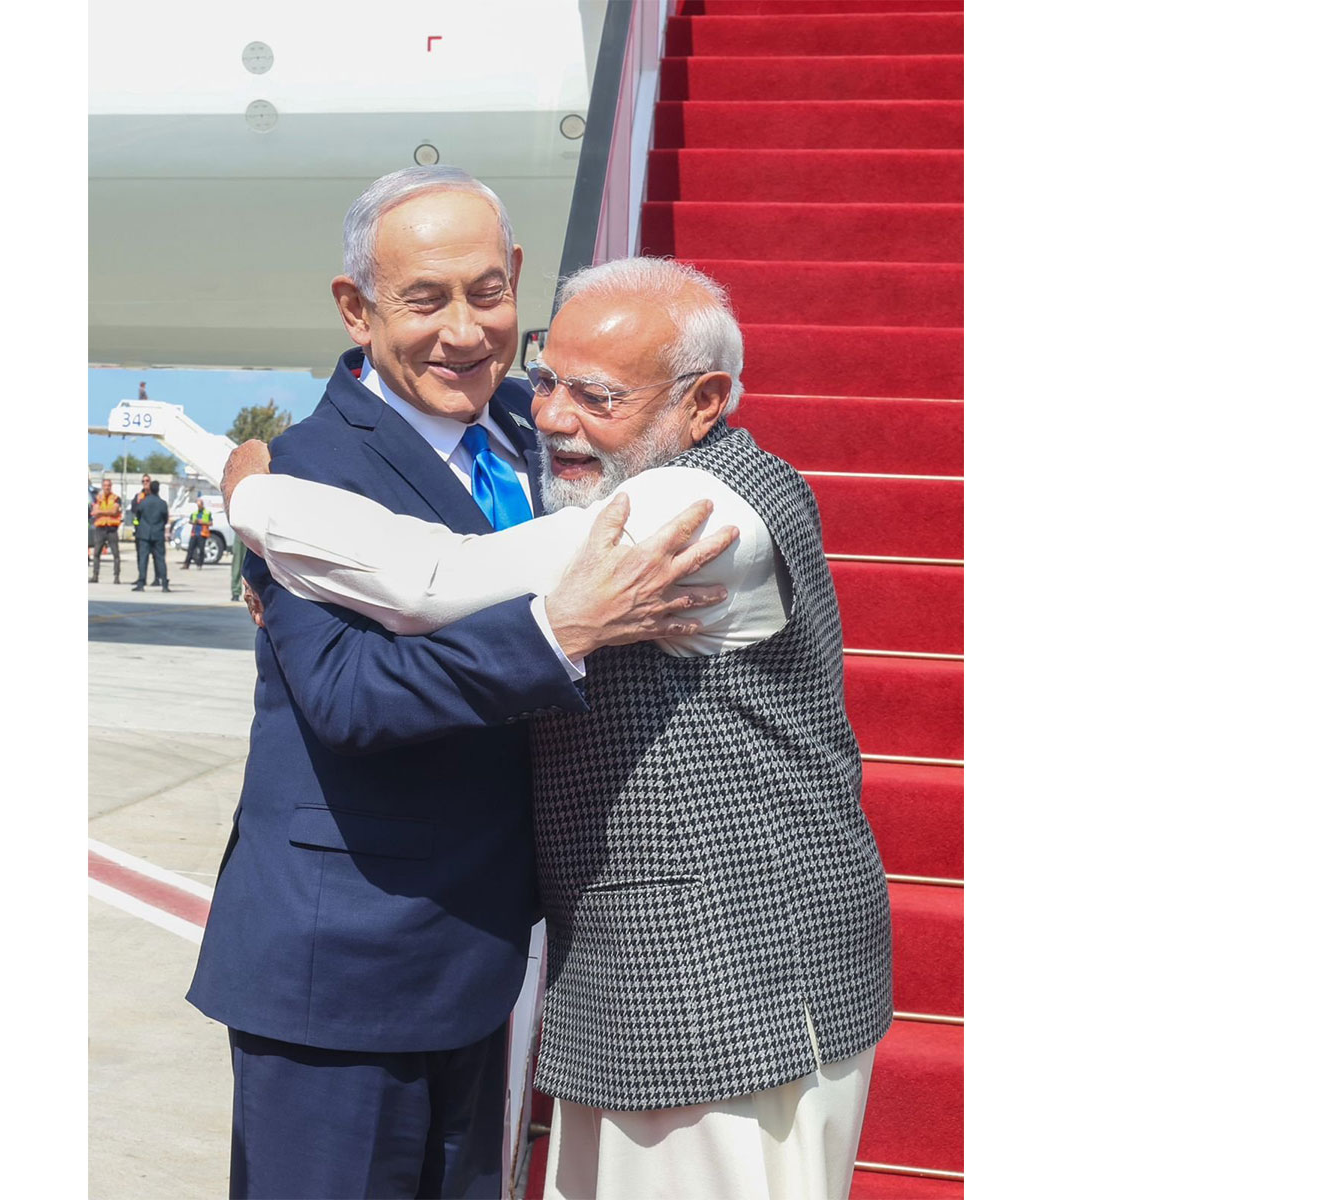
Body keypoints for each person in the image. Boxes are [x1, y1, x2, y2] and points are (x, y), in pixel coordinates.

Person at [221, 257, 892, 1200]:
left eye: (598, 395)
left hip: (728, 981)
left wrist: (249, 492)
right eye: (548, 380)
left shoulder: (694, 511)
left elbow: (433, 582)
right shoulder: (608, 462)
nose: (552, 417)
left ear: (703, 404)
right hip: (644, 977)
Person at [186, 169, 735, 1200]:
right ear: (356, 309)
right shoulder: (304, 472)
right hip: (338, 966)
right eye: (423, 298)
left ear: (519, 280)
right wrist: (556, 633)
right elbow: (351, 697)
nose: (463, 332)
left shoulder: (540, 424)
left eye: (486, 293)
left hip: (481, 957)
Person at [130, 480, 170, 592]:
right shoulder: (162, 503)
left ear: (150, 489)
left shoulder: (143, 502)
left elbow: (137, 515)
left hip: (144, 534)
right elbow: (165, 518)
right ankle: (164, 585)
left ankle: (141, 583)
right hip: (158, 534)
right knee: (160, 559)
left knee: (143, 559)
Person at [89, 477, 123, 583]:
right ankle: (95, 575)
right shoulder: (97, 498)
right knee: (96, 553)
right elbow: (95, 511)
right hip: (100, 528)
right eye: (105, 485)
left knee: (116, 554)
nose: (107, 487)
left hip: (112, 529)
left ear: (111, 486)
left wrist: (102, 511)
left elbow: (114, 511)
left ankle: (116, 576)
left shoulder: (116, 498)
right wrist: (108, 511)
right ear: (102, 486)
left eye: (109, 485)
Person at [181, 496, 214, 569]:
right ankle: (186, 564)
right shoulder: (195, 513)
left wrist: (203, 522)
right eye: (197, 505)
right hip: (194, 533)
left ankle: (199, 564)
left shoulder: (207, 513)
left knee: (201, 550)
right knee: (190, 549)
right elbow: (190, 521)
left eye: (200, 505)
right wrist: (194, 522)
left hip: (202, 533)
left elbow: (211, 523)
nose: (199, 507)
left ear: (202, 505)